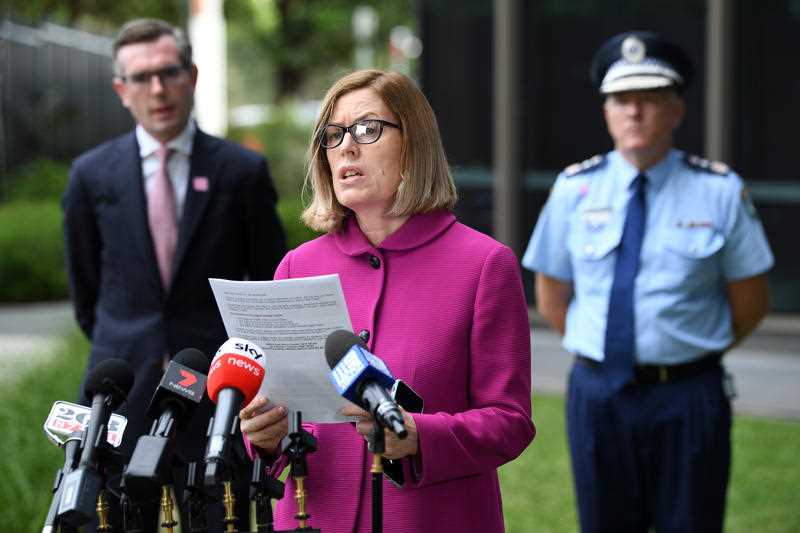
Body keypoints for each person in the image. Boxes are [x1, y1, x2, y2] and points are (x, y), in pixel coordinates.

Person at [238, 69, 535, 532]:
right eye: (332, 135)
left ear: (414, 141)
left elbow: (510, 422)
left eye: (367, 129)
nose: (346, 147)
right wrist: (266, 438)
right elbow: (281, 414)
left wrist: (420, 437)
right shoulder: (297, 265)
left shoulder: (484, 265)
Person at [522, 31, 774, 533]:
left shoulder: (719, 190)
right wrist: (605, 353)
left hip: (688, 394)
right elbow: (552, 295)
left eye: (649, 99)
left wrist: (687, 349)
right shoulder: (575, 189)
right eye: (621, 99)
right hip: (598, 394)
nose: (633, 111)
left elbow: (750, 301)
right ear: (606, 112)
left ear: (676, 110)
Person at [62, 18, 286, 530]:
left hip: (218, 396)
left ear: (193, 75)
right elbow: (86, 293)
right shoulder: (91, 176)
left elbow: (266, 284)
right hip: (121, 399)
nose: (157, 89)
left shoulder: (240, 172)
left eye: (168, 72)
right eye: (141, 78)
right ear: (122, 90)